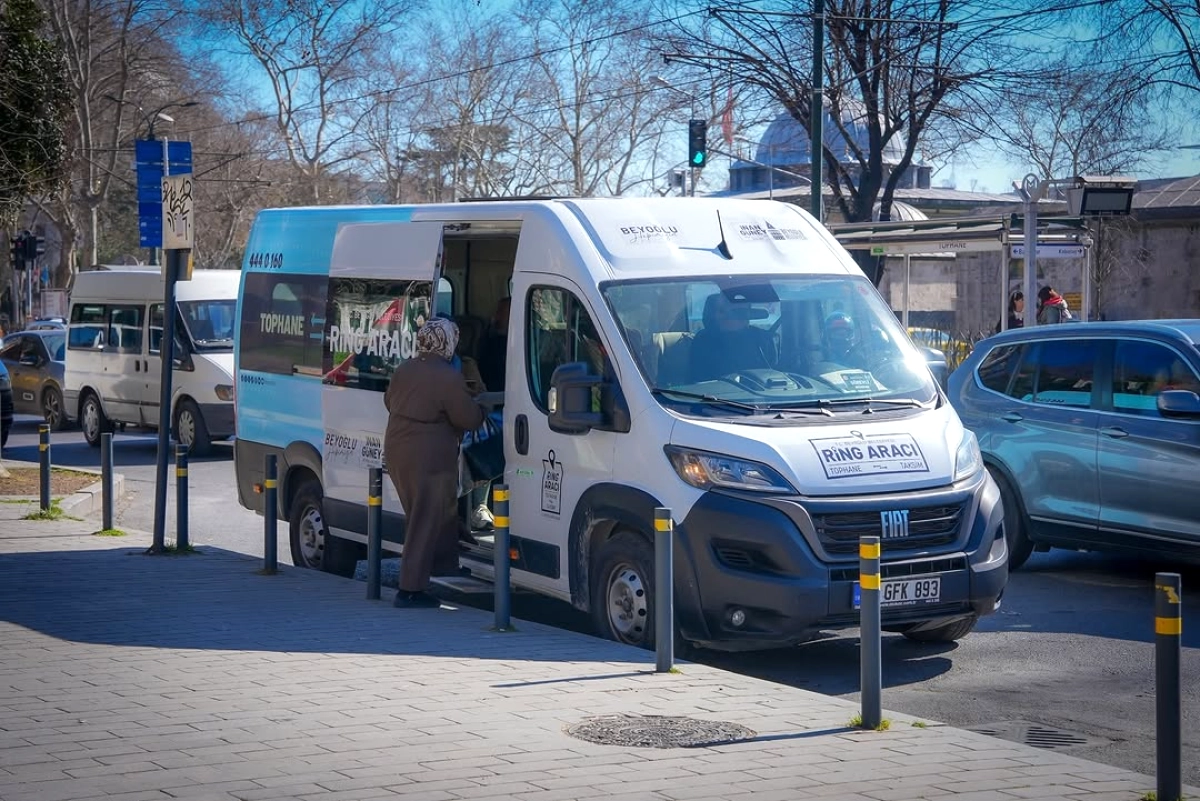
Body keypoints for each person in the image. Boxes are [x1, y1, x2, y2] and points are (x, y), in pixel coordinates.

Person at [383, 317, 486, 609]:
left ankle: (443, 565)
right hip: (427, 456)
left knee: (431, 512)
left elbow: (389, 401)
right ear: (447, 341)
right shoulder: (447, 376)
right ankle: (410, 589)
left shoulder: (405, 369)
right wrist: (480, 405)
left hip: (398, 448)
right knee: (425, 518)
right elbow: (468, 418)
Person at [689, 293, 774, 382]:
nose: (722, 315)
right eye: (721, 311)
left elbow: (776, 378)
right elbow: (699, 382)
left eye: (741, 311)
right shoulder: (703, 341)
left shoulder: (763, 338)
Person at [478, 297, 510, 393]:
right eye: (497, 311)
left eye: (500, 312)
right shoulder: (491, 342)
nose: (496, 316)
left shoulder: (525, 343)